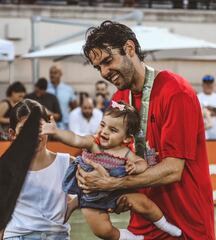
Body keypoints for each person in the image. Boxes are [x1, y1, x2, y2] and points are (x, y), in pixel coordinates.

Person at [78, 20, 214, 239]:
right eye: (98, 67)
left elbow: (172, 169)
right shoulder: (118, 100)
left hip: (186, 223)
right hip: (142, 224)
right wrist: (94, 177)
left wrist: (114, 183)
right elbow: (109, 153)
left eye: (108, 61)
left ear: (129, 49)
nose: (103, 72)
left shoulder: (176, 92)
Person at [42, 101, 182, 240]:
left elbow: (141, 163)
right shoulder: (93, 143)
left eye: (113, 130)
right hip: (90, 196)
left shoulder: (125, 152)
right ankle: (127, 237)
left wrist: (136, 167)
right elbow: (75, 139)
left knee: (145, 203)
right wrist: (57, 132)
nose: (104, 132)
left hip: (115, 192)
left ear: (127, 138)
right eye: (103, 125)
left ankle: (164, 225)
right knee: (102, 231)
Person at [2, 99, 72, 240]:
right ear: (12, 134)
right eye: (24, 129)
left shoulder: (67, 163)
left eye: (38, 127)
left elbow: (89, 195)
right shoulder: (6, 169)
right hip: (17, 237)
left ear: (49, 127)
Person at [47, 65, 77, 130]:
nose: (52, 75)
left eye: (55, 73)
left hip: (64, 124)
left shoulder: (68, 89)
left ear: (60, 74)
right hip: (48, 123)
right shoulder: (46, 89)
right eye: (51, 73)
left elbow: (74, 107)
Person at [197, 74, 216, 139]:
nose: (208, 85)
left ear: (213, 85)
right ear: (202, 85)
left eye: (210, 83)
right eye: (206, 83)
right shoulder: (197, 97)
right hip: (203, 133)